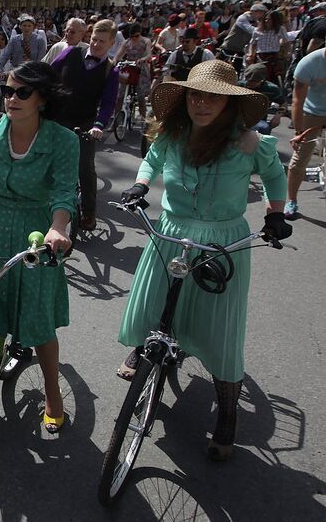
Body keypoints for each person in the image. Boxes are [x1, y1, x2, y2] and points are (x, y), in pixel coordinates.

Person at [117, 60, 291, 461]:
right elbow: (151, 161)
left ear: (229, 102)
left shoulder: (250, 142)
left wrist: (275, 214)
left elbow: (275, 177)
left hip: (222, 241)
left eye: (213, 96)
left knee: (218, 330)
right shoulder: (173, 135)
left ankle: (227, 413)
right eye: (195, 94)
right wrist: (140, 186)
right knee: (153, 303)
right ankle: (150, 348)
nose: (202, 102)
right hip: (171, 231)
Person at [0, 61, 79, 434]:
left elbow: (63, 192)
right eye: (8, 90)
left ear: (42, 98)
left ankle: (53, 394)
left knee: (38, 321)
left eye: (22, 92)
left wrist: (58, 228)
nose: (11, 98)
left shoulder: (62, 140)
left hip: (35, 234)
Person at [51, 19, 119, 231]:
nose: (96, 44)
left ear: (111, 43)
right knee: (48, 161)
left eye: (102, 42)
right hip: (59, 118)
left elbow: (108, 103)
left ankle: (89, 213)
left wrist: (99, 124)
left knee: (84, 168)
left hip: (86, 122)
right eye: (94, 39)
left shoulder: (110, 71)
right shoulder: (71, 53)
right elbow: (49, 71)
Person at [284, 46, 326, 219]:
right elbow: (297, 100)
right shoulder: (309, 63)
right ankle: (292, 201)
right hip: (312, 112)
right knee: (300, 158)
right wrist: (299, 131)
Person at [113, 23, 152, 119]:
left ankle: (143, 120)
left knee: (141, 97)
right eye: (132, 36)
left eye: (136, 36)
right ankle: (115, 121)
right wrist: (115, 62)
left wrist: (143, 59)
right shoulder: (126, 42)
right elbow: (118, 55)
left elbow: (149, 55)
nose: (134, 38)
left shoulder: (146, 41)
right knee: (120, 96)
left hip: (140, 69)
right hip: (129, 68)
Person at [240, 63, 285, 134]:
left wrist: (278, 116)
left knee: (264, 128)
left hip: (258, 120)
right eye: (249, 80)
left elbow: (283, 103)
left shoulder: (271, 89)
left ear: (262, 80)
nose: (250, 84)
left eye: (254, 82)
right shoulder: (240, 86)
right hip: (239, 118)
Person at [249, 10, 289, 84]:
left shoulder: (280, 29)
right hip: (261, 55)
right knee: (257, 73)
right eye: (266, 19)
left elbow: (285, 40)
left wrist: (284, 49)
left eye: (269, 19)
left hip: (273, 55)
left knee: (274, 75)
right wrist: (251, 54)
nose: (267, 21)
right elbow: (253, 43)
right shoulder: (257, 30)